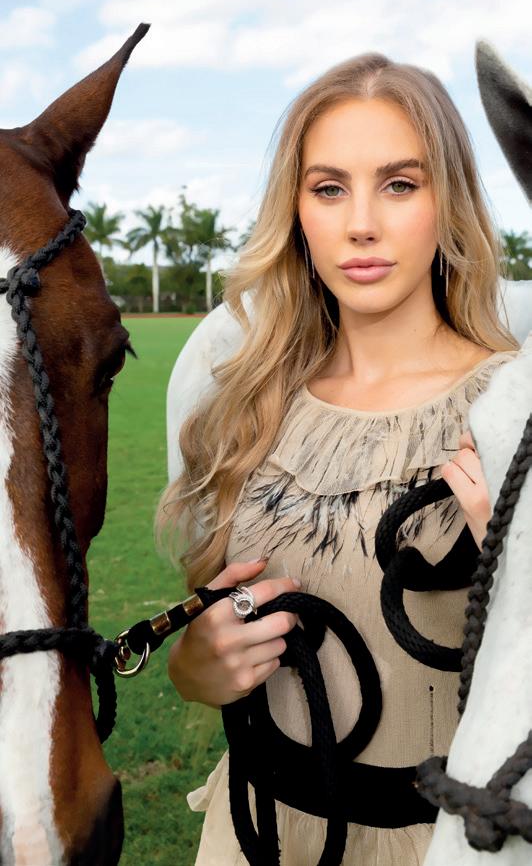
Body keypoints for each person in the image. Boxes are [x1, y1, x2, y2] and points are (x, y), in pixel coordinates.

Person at [155, 51, 520, 865]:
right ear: (296, 211)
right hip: (254, 834)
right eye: (328, 188)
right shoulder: (249, 408)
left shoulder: (513, 414)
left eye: (399, 184)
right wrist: (194, 667)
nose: (361, 223)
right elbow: (213, 640)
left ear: (448, 202)